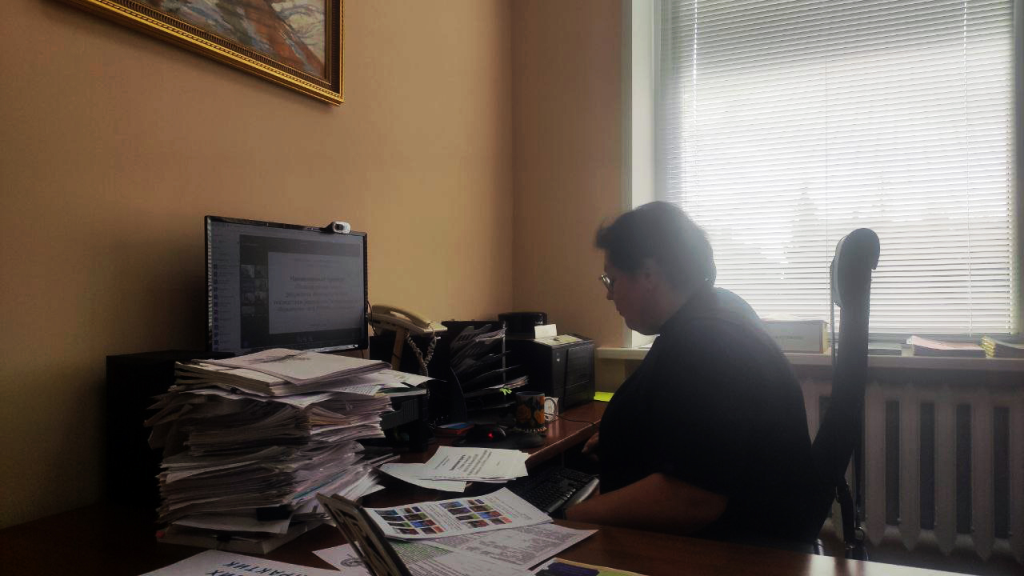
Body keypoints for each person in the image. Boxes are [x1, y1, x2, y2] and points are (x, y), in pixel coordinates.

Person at [565, 201, 819, 547]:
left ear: (648, 275)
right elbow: (698, 424)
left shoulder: (705, 343)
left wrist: (570, 517)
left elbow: (692, 498)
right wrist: (625, 438)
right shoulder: (718, 309)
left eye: (613, 279)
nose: (609, 294)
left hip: (735, 553)